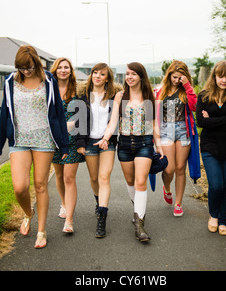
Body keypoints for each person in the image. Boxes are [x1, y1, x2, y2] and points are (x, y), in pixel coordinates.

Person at [0, 45, 69, 248]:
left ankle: (42, 231)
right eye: (22, 68)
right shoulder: (11, 81)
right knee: (20, 188)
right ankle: (28, 213)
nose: (26, 71)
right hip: (19, 139)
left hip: (44, 139)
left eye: (29, 67)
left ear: (36, 62)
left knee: (40, 185)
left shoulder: (48, 80)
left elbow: (58, 115)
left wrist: (64, 145)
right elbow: (4, 112)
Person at [101, 62, 163, 242]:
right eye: (127, 74)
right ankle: (138, 210)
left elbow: (153, 124)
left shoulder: (148, 96)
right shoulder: (120, 96)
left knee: (140, 181)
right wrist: (105, 138)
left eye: (133, 74)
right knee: (130, 182)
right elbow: (113, 122)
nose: (129, 77)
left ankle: (139, 225)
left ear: (141, 77)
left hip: (144, 142)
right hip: (125, 144)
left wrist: (158, 147)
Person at [195, 60, 226, 236]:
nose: (224, 80)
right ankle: (214, 216)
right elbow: (201, 122)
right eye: (220, 76)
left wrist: (213, 120)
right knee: (216, 185)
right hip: (210, 146)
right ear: (214, 76)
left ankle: (224, 221)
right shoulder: (203, 96)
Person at [75, 63, 123, 238]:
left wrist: (108, 138)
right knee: (94, 178)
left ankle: (102, 217)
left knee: (104, 177)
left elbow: (115, 120)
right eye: (95, 72)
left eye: (102, 74)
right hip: (89, 143)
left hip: (107, 142)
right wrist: (80, 142)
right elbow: (79, 121)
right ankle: (98, 200)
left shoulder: (113, 97)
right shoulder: (82, 95)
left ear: (107, 78)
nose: (97, 76)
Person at [155, 60, 197, 217]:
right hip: (166, 130)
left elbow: (194, 107)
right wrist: (156, 136)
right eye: (174, 77)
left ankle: (178, 203)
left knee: (180, 168)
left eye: (180, 77)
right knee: (169, 168)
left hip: (182, 130)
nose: (177, 80)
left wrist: (187, 86)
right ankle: (167, 188)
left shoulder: (186, 91)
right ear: (169, 76)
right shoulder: (160, 91)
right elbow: (155, 115)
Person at [50, 57, 85, 234]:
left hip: (72, 140)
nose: (63, 70)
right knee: (58, 174)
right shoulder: (48, 90)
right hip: (53, 139)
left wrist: (68, 126)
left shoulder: (78, 91)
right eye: (60, 67)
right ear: (55, 70)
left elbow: (81, 114)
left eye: (67, 67)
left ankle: (69, 220)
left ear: (71, 71)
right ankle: (64, 203)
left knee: (69, 178)